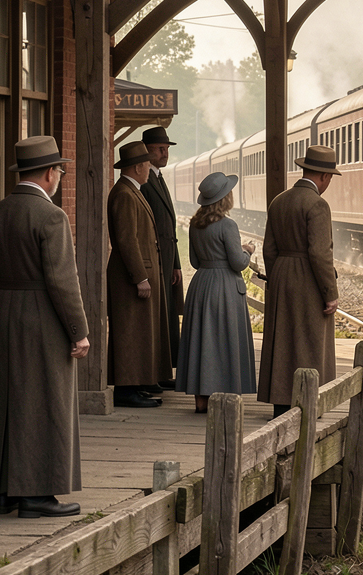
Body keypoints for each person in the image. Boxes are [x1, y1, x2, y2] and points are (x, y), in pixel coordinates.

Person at [0, 136, 89, 518]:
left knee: (8, 402)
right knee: (45, 403)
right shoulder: (51, 216)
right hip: (43, 317)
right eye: (59, 171)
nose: (58, 177)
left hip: (6, 311)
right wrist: (78, 331)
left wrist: (0, 316)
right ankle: (38, 495)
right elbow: (62, 281)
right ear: (49, 173)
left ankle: (5, 492)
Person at [258, 145, 341, 415]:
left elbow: (269, 249)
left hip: (282, 273)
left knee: (283, 341)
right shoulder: (317, 204)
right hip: (307, 279)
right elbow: (320, 253)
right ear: (325, 177)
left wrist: (277, 278)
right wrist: (330, 293)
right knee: (309, 343)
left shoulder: (279, 201)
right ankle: (308, 404)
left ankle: (281, 401)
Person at [177, 172, 257, 413]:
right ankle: (227, 396)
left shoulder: (195, 224)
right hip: (225, 288)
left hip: (202, 285)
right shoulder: (228, 225)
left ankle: (201, 400)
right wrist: (248, 250)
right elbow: (238, 263)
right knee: (225, 341)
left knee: (202, 341)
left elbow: (194, 261)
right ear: (225, 198)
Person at [107, 142, 167, 408]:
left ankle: (135, 384)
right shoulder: (124, 194)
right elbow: (126, 239)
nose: (149, 169)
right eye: (147, 164)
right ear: (138, 166)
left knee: (138, 331)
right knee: (129, 331)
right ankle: (125, 388)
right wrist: (140, 277)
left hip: (134, 273)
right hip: (130, 277)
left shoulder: (131, 191)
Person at [141, 127, 183, 389]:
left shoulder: (158, 177)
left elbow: (170, 228)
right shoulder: (145, 181)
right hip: (155, 259)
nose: (165, 153)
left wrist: (176, 263)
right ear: (147, 151)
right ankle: (156, 373)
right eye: (160, 148)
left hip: (167, 260)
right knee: (157, 318)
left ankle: (163, 371)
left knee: (166, 317)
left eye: (166, 148)